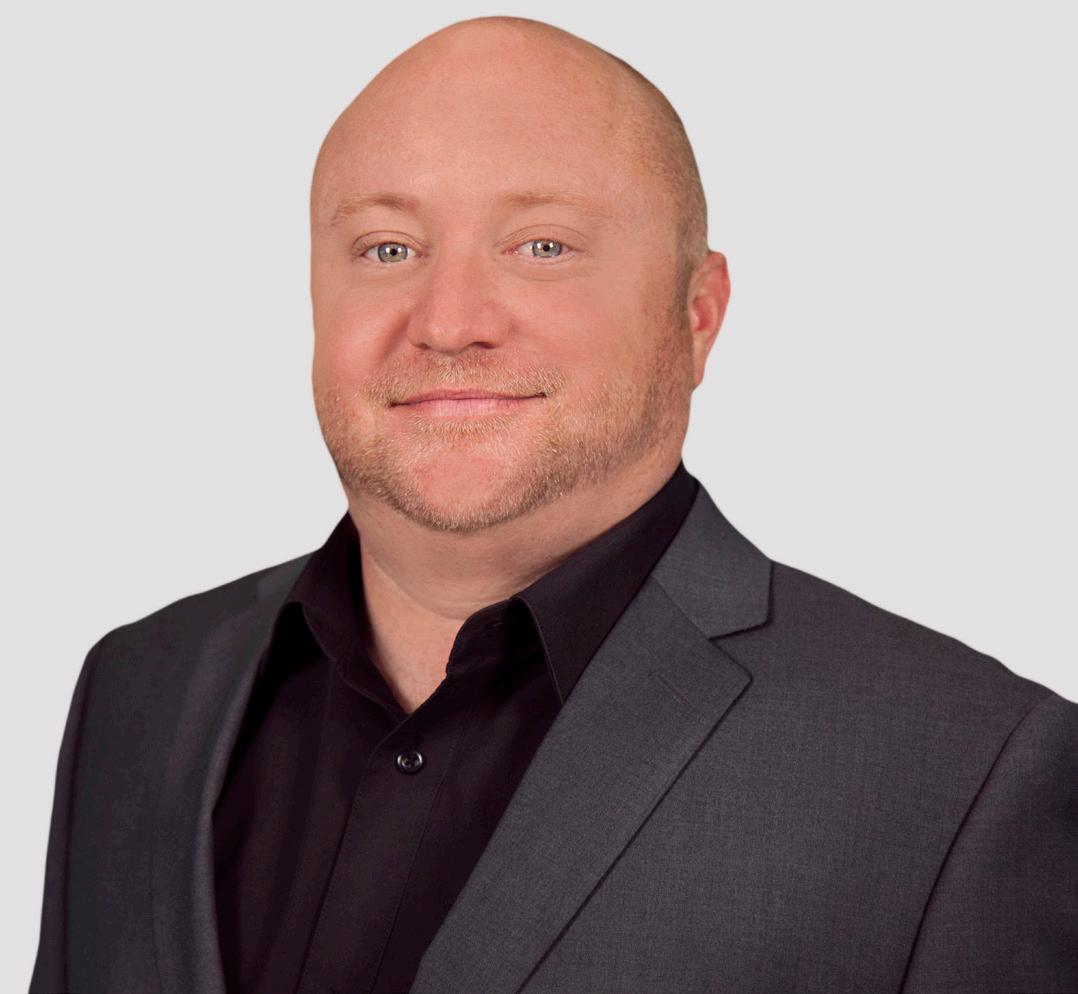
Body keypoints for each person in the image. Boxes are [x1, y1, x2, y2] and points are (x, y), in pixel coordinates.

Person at [28, 15, 1077, 994]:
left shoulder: (968, 777)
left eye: (542, 246)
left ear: (697, 315)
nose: (448, 322)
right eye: (388, 249)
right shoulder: (139, 688)